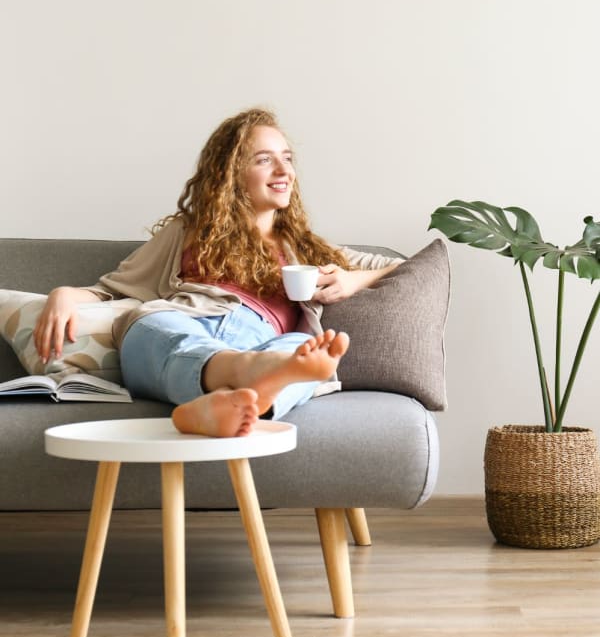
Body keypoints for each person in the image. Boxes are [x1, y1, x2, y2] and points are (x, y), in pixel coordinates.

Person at [33, 109, 401, 437]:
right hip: (182, 320)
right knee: (156, 331)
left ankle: (218, 404)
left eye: (287, 159)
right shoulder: (188, 231)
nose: (284, 170)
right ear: (232, 173)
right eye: (264, 160)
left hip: (256, 338)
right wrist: (62, 294)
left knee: (300, 353)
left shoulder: (305, 247)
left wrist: (352, 279)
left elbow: (402, 266)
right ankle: (247, 374)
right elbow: (109, 289)